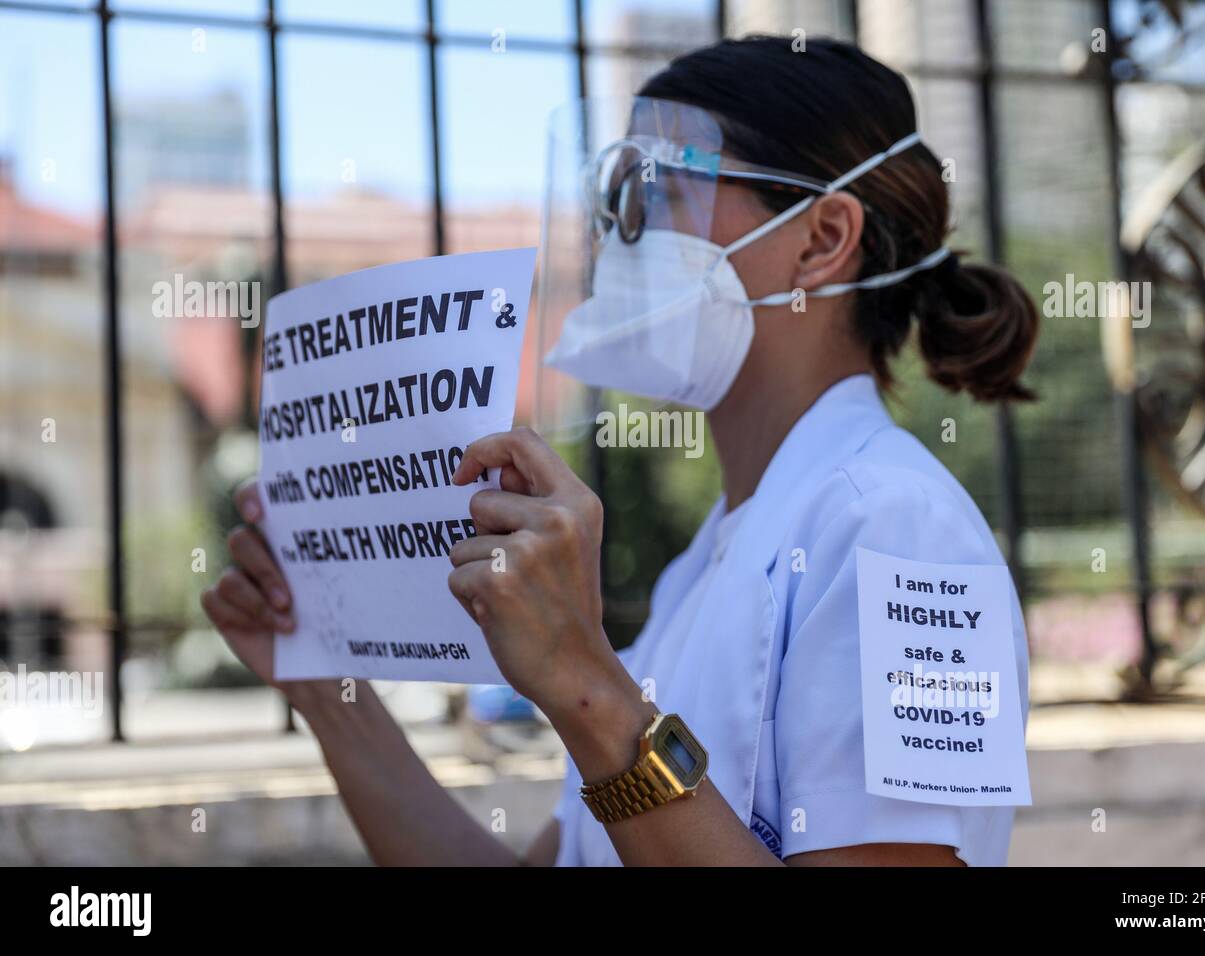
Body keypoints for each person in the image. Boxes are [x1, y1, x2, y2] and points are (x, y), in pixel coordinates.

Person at [201, 36, 1038, 867]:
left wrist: (580, 678)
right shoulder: (703, 567)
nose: (617, 236)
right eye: (611, 201)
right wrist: (324, 687)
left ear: (820, 240)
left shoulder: (901, 528)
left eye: (656, 194)